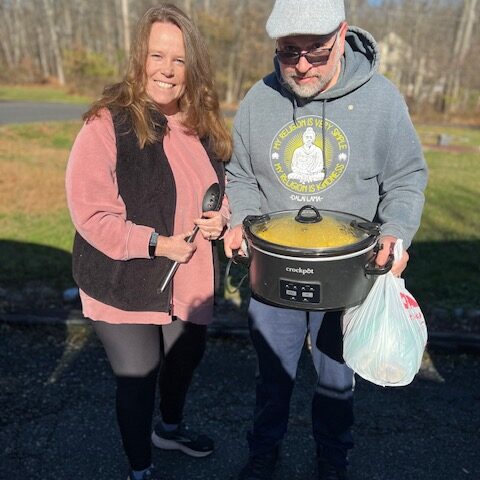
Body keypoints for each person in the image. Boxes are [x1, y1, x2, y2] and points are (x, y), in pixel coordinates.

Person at [223, 1, 428, 479]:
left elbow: (405, 178)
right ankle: (263, 452)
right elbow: (242, 175)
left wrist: (396, 232)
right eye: (288, 51)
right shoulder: (259, 100)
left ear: (342, 35)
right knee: (272, 376)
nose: (301, 65)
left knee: (337, 378)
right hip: (274, 269)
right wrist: (243, 222)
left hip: (347, 274)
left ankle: (333, 460)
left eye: (315, 51)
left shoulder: (381, 100)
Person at [65, 4, 232, 480]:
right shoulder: (107, 123)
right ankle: (141, 468)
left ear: (192, 67)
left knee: (184, 360)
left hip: (189, 277)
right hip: (123, 278)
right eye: (157, 55)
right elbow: (92, 214)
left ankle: (170, 429)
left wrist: (221, 217)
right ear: (139, 57)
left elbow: (223, 189)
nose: (167, 69)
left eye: (179, 59)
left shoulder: (201, 125)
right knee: (140, 374)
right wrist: (157, 243)